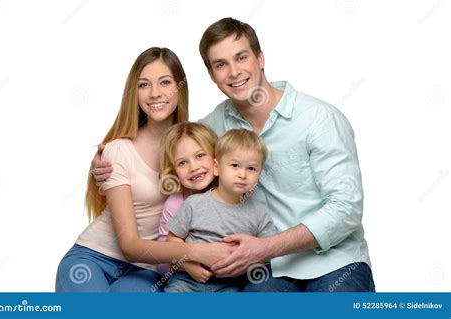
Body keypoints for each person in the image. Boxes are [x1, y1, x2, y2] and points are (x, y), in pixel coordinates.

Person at [92, 18, 375, 292]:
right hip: (268, 270)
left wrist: (266, 247)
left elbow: (345, 208)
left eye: (241, 58)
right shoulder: (214, 125)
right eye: (221, 65)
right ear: (211, 74)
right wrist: (111, 160)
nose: (234, 72)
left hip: (333, 263)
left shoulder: (319, 119)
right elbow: (174, 149)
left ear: (260, 58)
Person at [56, 47, 234, 292]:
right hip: (94, 257)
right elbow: (129, 245)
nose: (154, 93)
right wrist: (199, 252)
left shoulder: (197, 143)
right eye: (143, 85)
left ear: (179, 88)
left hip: (149, 270)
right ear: (134, 93)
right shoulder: (118, 150)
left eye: (165, 82)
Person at [164, 129, 277, 292]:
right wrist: (188, 265)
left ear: (259, 173)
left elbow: (266, 251)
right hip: (187, 280)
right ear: (216, 167)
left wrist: (247, 264)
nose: (242, 174)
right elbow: (173, 240)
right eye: (235, 165)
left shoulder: (260, 213)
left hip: (229, 285)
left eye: (251, 168)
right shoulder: (194, 204)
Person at [156, 122, 218, 278]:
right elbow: (161, 262)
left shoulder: (234, 193)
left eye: (200, 155)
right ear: (174, 172)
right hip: (186, 281)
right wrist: (186, 266)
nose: (193, 167)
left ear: (216, 157)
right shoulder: (175, 204)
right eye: (182, 162)